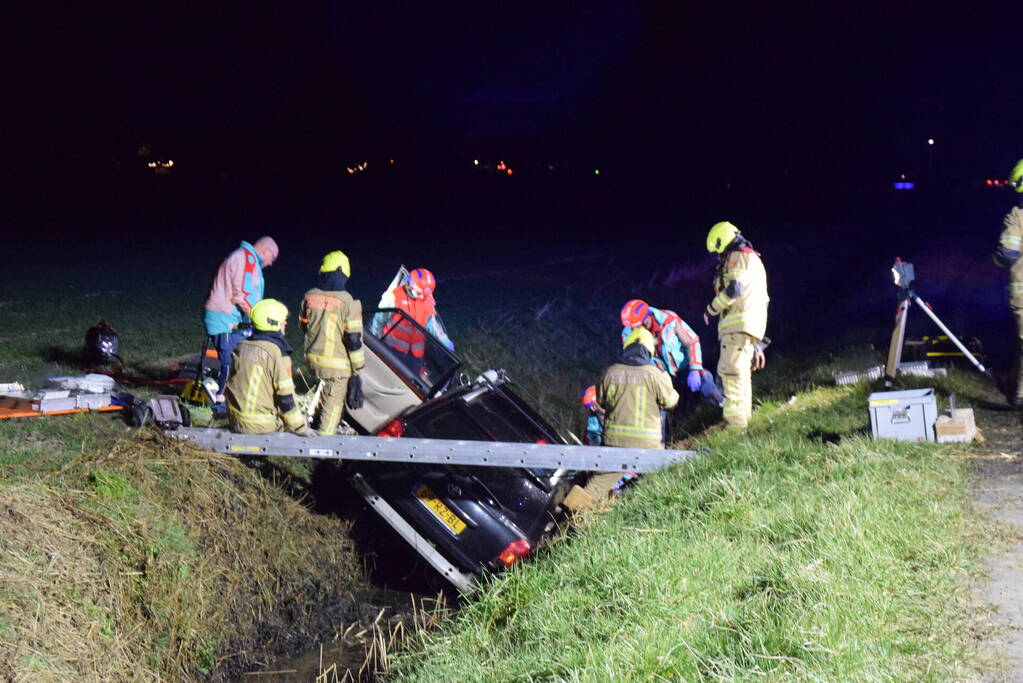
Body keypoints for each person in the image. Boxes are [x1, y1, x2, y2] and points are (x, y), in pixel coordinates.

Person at [586, 328, 679, 499]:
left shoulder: (610, 372)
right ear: (648, 351)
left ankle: (573, 512)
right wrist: (667, 380)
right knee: (655, 478)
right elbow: (670, 402)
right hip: (648, 444)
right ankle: (633, 500)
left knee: (597, 484)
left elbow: (601, 400)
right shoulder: (654, 375)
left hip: (614, 441)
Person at [703, 221, 770, 429]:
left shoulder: (737, 256)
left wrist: (711, 308)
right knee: (741, 373)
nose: (718, 256)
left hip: (736, 325)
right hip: (749, 325)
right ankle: (744, 420)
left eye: (718, 250)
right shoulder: (752, 258)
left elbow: (734, 290)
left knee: (730, 373)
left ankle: (735, 425)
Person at [203, 236, 279, 413]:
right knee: (229, 363)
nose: (270, 263)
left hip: (227, 319)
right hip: (223, 320)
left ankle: (230, 400)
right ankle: (220, 406)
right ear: (266, 251)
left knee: (237, 358)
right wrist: (260, 319)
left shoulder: (246, 259)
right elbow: (242, 295)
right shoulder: (247, 260)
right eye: (272, 259)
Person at [300, 250, 366, 435]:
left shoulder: (309, 296)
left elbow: (303, 326)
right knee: (334, 402)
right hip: (337, 364)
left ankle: (312, 418)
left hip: (312, 359)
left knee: (326, 384)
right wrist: (358, 371)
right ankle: (323, 445)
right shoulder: (349, 303)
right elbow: (353, 340)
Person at [225, 299, 313, 436]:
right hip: (261, 426)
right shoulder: (275, 353)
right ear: (272, 322)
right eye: (282, 320)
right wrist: (300, 427)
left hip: (235, 420)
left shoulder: (241, 346)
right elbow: (286, 398)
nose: (285, 323)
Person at [619, 298, 724, 404]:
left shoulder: (669, 319)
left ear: (648, 315)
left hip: (683, 367)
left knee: (705, 380)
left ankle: (724, 403)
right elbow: (634, 364)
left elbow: (692, 341)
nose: (637, 329)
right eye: (634, 327)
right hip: (659, 376)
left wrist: (695, 369)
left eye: (640, 324)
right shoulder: (628, 336)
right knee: (654, 405)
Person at [380, 267, 454, 374]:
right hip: (392, 350)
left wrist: (445, 341)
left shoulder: (426, 300)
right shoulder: (394, 297)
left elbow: (432, 325)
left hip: (415, 356)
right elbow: (379, 319)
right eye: (419, 293)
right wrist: (374, 339)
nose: (421, 296)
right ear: (410, 285)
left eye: (424, 294)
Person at [995, 158, 1023, 406]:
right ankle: (1013, 386)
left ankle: (1019, 394)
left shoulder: (1017, 217)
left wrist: (996, 260)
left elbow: (1008, 253)